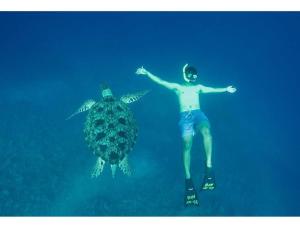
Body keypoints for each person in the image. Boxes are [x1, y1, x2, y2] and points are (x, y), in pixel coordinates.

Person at [136, 64, 237, 207]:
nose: (193, 77)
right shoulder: (178, 87)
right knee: (187, 145)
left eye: (194, 74)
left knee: (207, 132)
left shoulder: (198, 87)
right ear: (184, 74)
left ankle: (208, 166)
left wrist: (226, 89)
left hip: (198, 114)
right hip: (186, 117)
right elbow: (161, 81)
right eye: (190, 74)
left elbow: (212, 89)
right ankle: (188, 179)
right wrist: (147, 73)